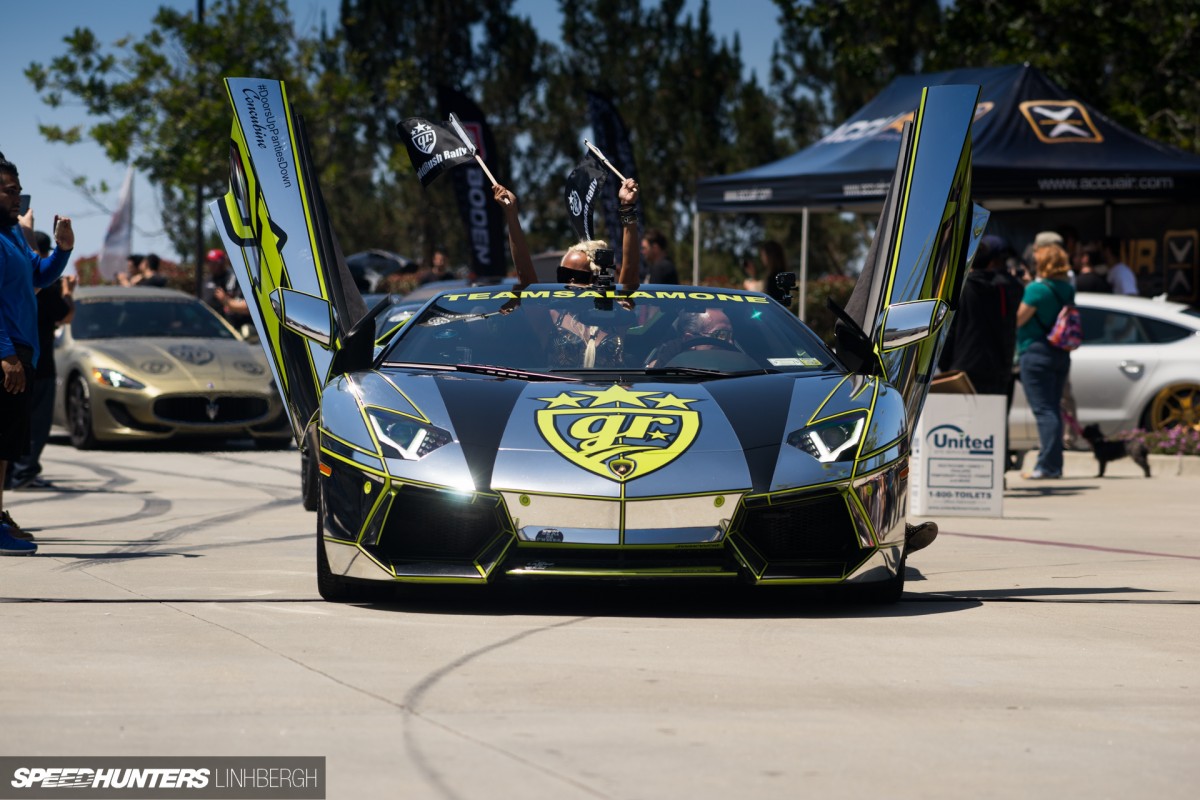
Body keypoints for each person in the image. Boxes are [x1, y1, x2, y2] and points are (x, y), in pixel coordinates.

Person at [0, 154, 74, 555]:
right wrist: (7, 354)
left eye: (18, 190)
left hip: (22, 349)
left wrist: (62, 251)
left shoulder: (11, 233)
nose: (18, 199)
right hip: (6, 351)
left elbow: (39, 276)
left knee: (6, 446)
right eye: (9, 191)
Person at [492, 177, 641, 367]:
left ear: (597, 278)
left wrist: (627, 209)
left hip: (612, 394)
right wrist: (511, 214)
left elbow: (630, 276)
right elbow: (527, 280)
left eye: (578, 277)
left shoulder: (616, 315)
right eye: (563, 275)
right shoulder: (552, 317)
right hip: (557, 395)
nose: (569, 282)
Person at [6, 231, 75, 492]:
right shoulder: (44, 287)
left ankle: (14, 475)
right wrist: (68, 293)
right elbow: (66, 315)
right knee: (32, 427)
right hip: (33, 363)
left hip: (24, 359)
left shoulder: (23, 274)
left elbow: (42, 274)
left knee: (14, 429)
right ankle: (23, 473)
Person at [1015, 242, 1075, 480]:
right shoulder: (1067, 287)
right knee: (1053, 409)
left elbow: (1018, 320)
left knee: (1044, 410)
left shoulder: (1036, 290)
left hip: (1036, 351)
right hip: (1060, 352)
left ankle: (1047, 466)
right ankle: (1054, 464)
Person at [938, 239, 1008, 395]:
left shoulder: (960, 289)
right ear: (991, 262)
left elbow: (948, 331)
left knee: (960, 418)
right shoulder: (1005, 289)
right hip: (996, 369)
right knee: (992, 418)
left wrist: (944, 366)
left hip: (961, 369)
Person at [645, 308, 736, 368]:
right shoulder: (662, 369)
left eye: (731, 336)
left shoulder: (742, 372)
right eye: (722, 335)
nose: (730, 342)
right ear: (690, 339)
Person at [201, 248, 250, 330]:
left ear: (222, 263)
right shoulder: (207, 280)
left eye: (214, 263)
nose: (211, 265)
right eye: (209, 262)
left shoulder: (233, 278)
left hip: (233, 326)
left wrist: (226, 300)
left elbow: (245, 306)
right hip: (211, 325)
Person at [759, 240, 790, 306]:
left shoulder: (773, 278)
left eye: (763, 255)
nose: (762, 258)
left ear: (770, 256)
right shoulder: (784, 276)